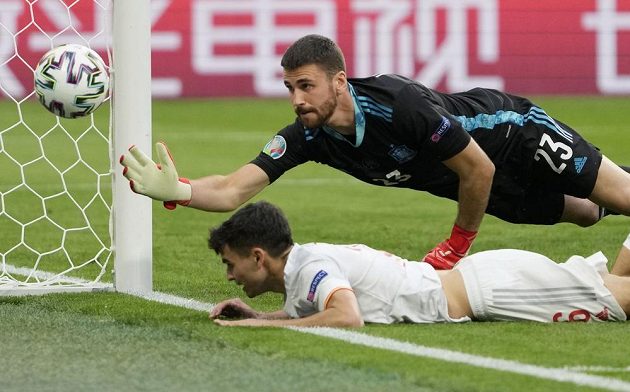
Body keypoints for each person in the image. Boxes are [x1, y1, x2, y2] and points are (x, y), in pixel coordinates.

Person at [119, 34, 630, 272]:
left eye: (306, 86)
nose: (296, 99)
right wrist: (181, 191)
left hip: (512, 132)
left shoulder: (400, 104)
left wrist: (456, 245)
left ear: (339, 82)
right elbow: (235, 187)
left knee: (624, 196)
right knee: (586, 215)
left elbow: (478, 165)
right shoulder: (309, 136)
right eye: (289, 88)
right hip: (474, 181)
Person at [207, 201, 630, 327]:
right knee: (616, 288)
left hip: (496, 291)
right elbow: (322, 303)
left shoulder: (312, 264)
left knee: (620, 300)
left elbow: (347, 317)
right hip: (482, 283)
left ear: (258, 257)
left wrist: (260, 324)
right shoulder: (307, 268)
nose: (229, 275)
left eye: (231, 264)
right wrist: (263, 313)